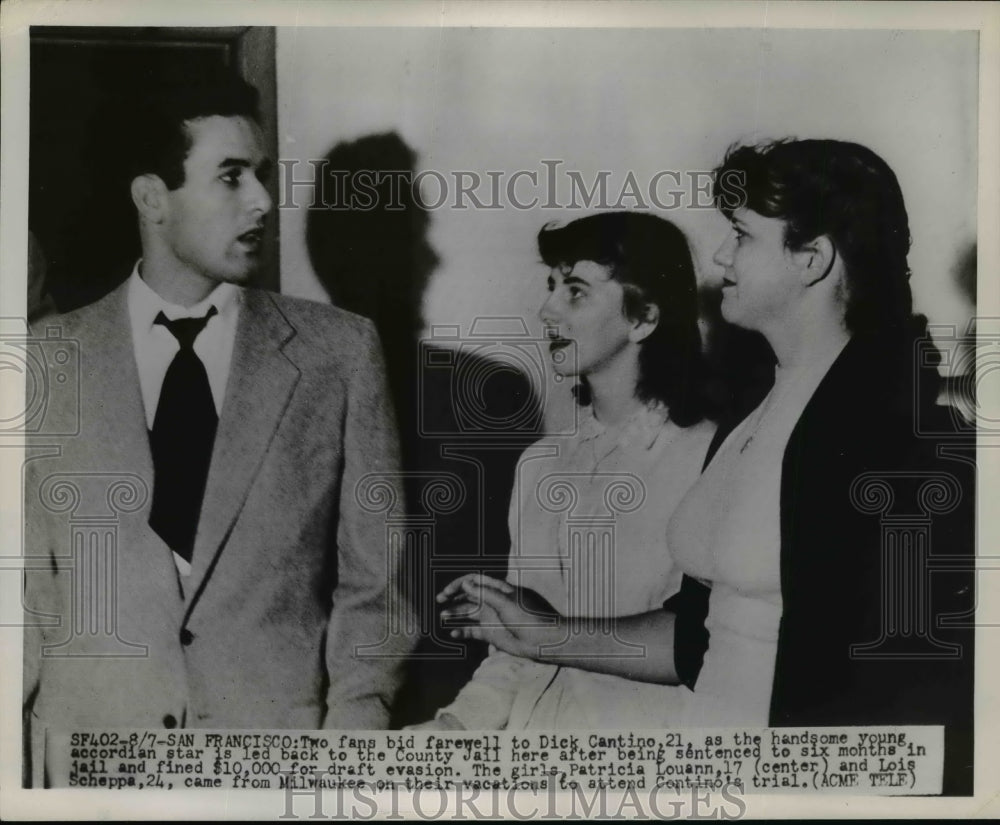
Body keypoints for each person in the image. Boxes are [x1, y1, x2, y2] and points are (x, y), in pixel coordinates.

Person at [450, 140, 974, 794]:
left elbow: (906, 696)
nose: (721, 256)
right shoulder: (756, 413)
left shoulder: (889, 434)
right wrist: (542, 633)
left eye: (741, 235)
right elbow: (696, 639)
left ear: (811, 260)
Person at [22, 75, 413, 786]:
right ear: (151, 197)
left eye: (261, 175)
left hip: (275, 767)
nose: (262, 200)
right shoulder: (43, 363)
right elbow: (21, 597)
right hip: (89, 766)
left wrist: (351, 755)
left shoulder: (340, 353)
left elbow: (376, 588)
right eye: (231, 176)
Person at [411, 211, 716, 730]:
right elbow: (514, 650)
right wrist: (452, 728)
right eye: (551, 286)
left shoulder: (707, 457)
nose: (546, 310)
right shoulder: (539, 465)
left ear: (643, 317)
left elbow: (703, 647)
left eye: (574, 291)